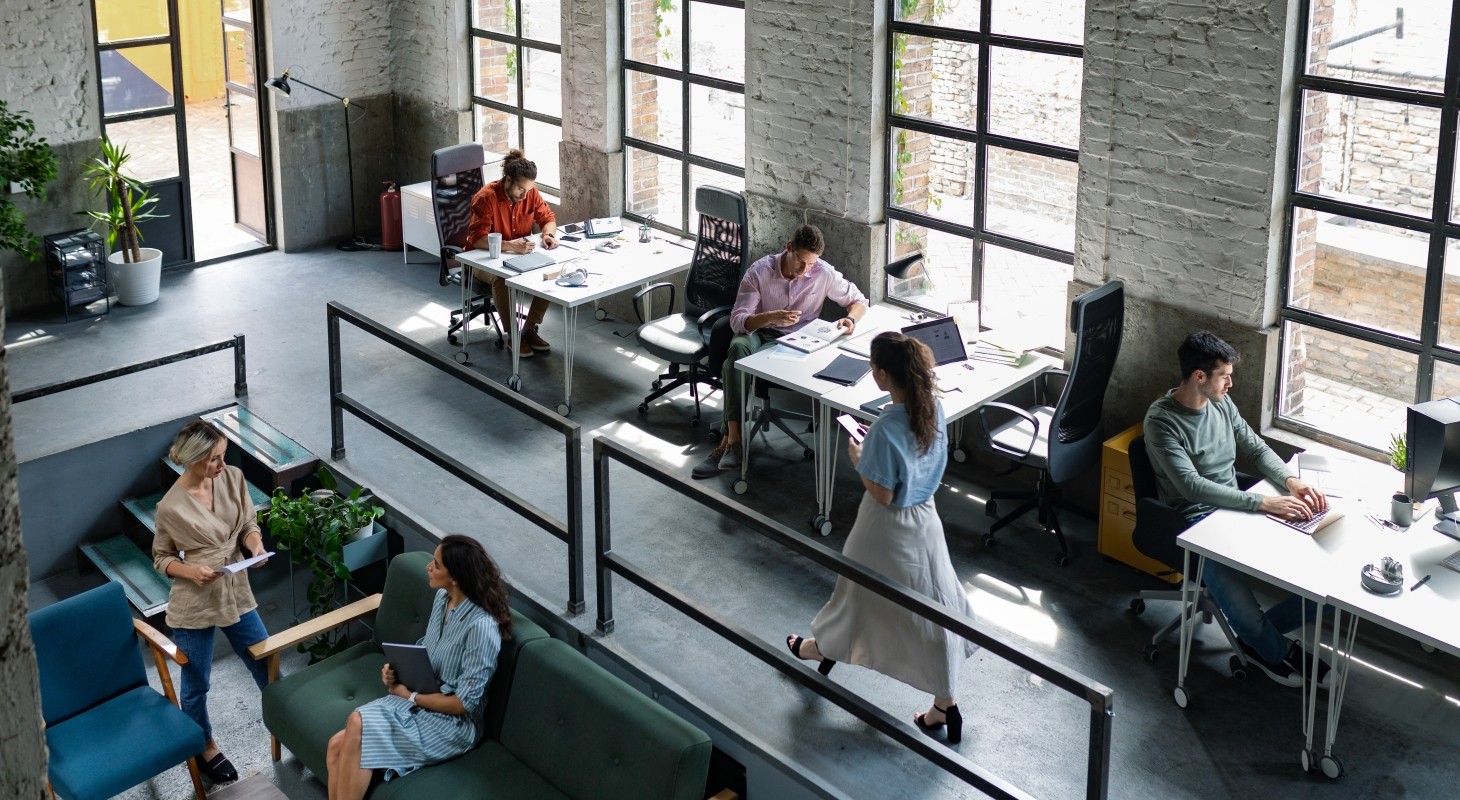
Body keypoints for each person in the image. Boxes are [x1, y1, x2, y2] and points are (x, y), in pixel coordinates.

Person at [785, 333, 977, 743]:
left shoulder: (883, 430)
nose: (872, 372)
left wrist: (859, 458)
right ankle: (945, 702)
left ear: (884, 374)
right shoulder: (932, 410)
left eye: (874, 367)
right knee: (935, 606)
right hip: (925, 523)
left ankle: (819, 649)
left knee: (855, 596)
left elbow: (884, 493)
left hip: (884, 529)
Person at [1143, 331, 1329, 688]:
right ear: (1200, 376)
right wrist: (1263, 503)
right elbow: (1191, 486)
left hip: (1237, 509)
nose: (1231, 382)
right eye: (1224, 375)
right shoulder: (1161, 421)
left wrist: (1292, 482)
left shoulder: (1221, 404)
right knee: (1244, 612)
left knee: (1325, 585)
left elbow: (1256, 449)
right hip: (1196, 522)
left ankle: (1258, 639)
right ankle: (1274, 652)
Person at [325, 535, 512, 800]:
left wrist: (409, 695)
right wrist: (394, 669)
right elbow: (426, 648)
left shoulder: (480, 627)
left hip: (452, 724)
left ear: (455, 577)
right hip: (418, 698)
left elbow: (464, 704)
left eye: (436, 564)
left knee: (357, 720)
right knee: (335, 746)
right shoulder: (441, 599)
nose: (429, 567)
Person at [692, 224, 867, 478]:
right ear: (789, 248)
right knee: (738, 350)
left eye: (811, 264)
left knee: (733, 364)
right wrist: (769, 316)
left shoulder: (822, 273)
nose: (805, 270)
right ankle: (733, 441)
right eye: (801, 263)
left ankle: (728, 444)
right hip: (759, 332)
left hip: (797, 341)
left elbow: (859, 301)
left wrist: (850, 320)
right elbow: (738, 320)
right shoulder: (760, 272)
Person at [152, 419, 272, 783]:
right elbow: (161, 558)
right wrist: (192, 572)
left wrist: (256, 546)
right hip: (196, 600)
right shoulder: (170, 507)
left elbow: (249, 523)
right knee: (197, 682)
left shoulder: (232, 477)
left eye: (223, 456)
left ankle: (290, 720)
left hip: (236, 587)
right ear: (192, 460)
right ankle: (204, 746)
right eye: (213, 460)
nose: (222, 465)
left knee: (266, 663)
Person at [466, 148, 560, 359]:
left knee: (551, 271)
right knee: (502, 279)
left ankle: (529, 328)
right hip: (482, 262)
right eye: (520, 189)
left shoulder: (530, 193)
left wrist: (548, 235)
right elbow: (477, 240)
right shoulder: (486, 198)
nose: (524, 195)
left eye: (528, 190)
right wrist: (511, 246)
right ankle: (512, 334)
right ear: (508, 180)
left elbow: (548, 218)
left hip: (518, 257)